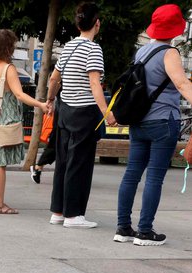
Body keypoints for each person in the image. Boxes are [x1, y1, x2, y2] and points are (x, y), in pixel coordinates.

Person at [115, 4, 192, 246]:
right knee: (154, 178)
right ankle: (145, 231)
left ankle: (123, 228)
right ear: (175, 29)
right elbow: (181, 84)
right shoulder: (170, 53)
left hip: (139, 121)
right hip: (162, 122)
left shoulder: (142, 52)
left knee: (131, 174)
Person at [44, 2, 114, 229]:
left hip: (65, 111)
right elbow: (95, 83)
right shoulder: (94, 49)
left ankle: (58, 211)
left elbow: (54, 79)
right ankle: (74, 215)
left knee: (63, 161)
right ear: (97, 23)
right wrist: (107, 112)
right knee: (80, 163)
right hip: (85, 113)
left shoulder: (69, 47)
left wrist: (50, 100)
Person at [0, 29, 46, 214]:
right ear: (8, 47)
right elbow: (19, 95)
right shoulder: (8, 68)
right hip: (3, 121)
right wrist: (41, 105)